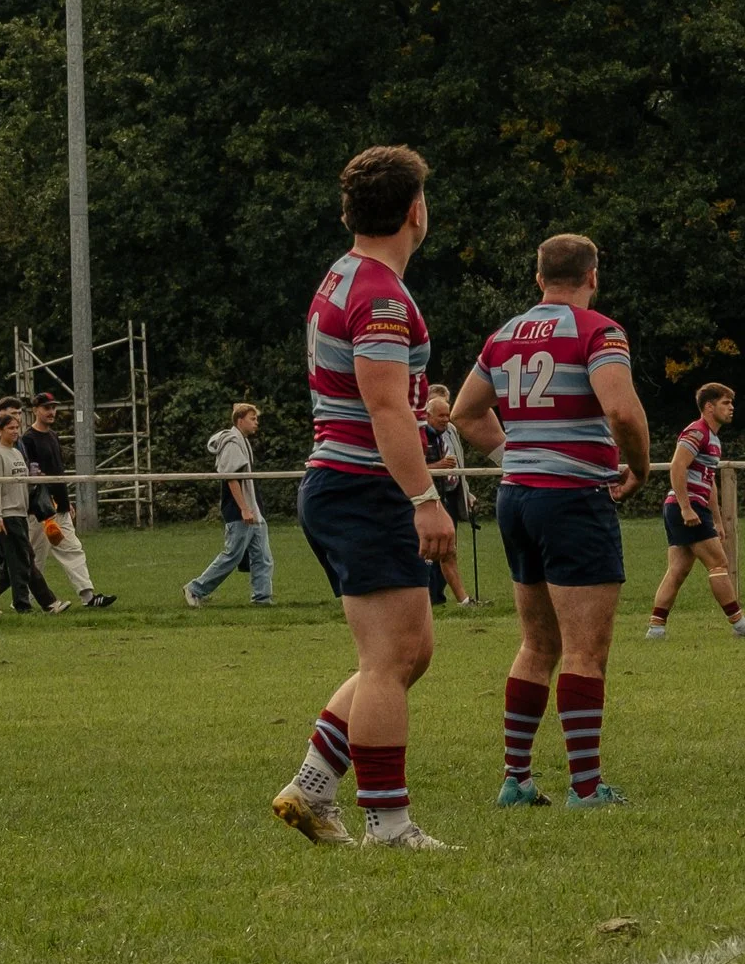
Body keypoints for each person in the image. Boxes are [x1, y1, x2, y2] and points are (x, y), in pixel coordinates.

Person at [271, 144, 456, 852]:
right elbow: (386, 410)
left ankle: (313, 788)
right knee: (388, 660)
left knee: (408, 653)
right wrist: (423, 497)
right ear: (416, 212)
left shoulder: (343, 276)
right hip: (364, 489)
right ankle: (389, 824)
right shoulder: (379, 294)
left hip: (343, 485)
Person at [452, 231, 653, 809]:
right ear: (593, 276)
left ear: (539, 278)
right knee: (586, 650)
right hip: (571, 497)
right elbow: (621, 408)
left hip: (516, 498)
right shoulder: (599, 331)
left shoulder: (504, 335)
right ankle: (586, 787)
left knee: (537, 643)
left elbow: (466, 410)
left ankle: (516, 778)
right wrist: (636, 468)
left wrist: (513, 454)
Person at [645, 383, 745, 639]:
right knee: (718, 563)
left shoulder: (713, 438)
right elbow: (676, 467)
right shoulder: (697, 432)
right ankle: (740, 625)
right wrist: (686, 507)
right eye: (726, 403)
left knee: (678, 570)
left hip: (690, 507)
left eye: (731, 403)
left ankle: (656, 629)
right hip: (686, 507)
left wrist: (716, 519)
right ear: (708, 406)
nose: (731, 408)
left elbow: (709, 482)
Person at [19, 392, 115, 608]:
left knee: (73, 549)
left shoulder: (53, 435)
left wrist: (66, 501)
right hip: (40, 509)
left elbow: (58, 471)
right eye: (46, 408)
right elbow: (31, 476)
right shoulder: (28, 438)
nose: (51, 412)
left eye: (53, 407)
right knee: (35, 557)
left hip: (59, 507)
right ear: (35, 410)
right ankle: (24, 600)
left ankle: (89, 597)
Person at [0, 409, 63, 614]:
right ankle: (26, 604)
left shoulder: (17, 452)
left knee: (16, 561)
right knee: (23, 560)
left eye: (16, 428)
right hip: (7, 515)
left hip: (20, 512)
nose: (14, 431)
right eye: (10, 428)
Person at [185, 403, 274, 606]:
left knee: (263, 556)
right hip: (240, 510)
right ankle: (195, 588)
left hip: (253, 510)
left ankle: (262, 598)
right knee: (232, 555)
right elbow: (231, 478)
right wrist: (244, 508)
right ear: (240, 420)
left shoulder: (242, 441)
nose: (256, 423)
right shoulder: (232, 442)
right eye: (253, 419)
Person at [423, 385, 475, 606]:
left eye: (448, 414)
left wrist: (467, 492)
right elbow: (409, 469)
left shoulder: (450, 431)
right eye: (442, 415)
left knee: (447, 550)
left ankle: (451, 599)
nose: (447, 419)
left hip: (449, 496)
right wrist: (438, 466)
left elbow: (459, 462)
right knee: (430, 551)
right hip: (426, 500)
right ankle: (429, 598)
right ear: (428, 413)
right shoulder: (419, 435)